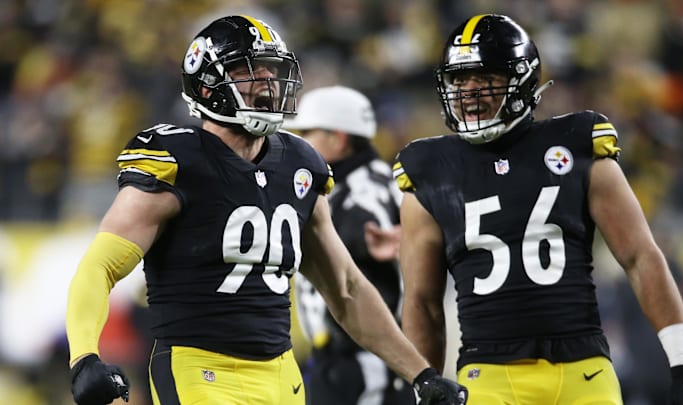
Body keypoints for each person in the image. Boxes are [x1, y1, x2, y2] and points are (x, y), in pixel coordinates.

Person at [65, 15, 467, 405]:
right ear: (208, 87)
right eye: (251, 71)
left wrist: (421, 374)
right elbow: (99, 266)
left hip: (282, 375)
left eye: (272, 70)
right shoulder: (177, 160)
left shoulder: (300, 163)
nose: (269, 82)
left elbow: (346, 289)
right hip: (200, 370)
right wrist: (83, 357)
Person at [392, 13, 683, 405]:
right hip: (489, 374)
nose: (470, 92)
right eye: (460, 81)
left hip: (584, 367)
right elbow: (422, 301)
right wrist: (422, 385)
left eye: (485, 79)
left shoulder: (577, 146)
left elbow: (641, 257)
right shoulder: (429, 169)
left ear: (521, 82)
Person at [283, 85, 415, 405]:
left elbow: (373, 233)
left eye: (307, 132)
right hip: (340, 357)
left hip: (364, 358)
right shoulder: (347, 183)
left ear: (337, 139)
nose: (297, 142)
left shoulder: (364, 189)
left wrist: (365, 242)